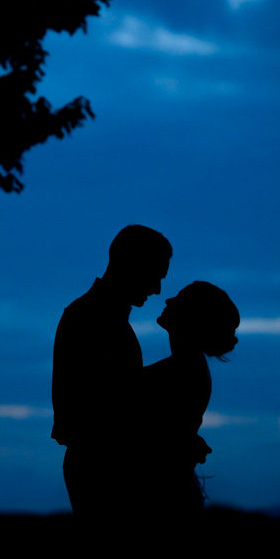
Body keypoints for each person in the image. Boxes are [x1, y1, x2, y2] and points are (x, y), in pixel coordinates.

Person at [50, 225, 172, 527]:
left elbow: (115, 393)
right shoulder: (91, 318)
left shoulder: (98, 317)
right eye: (155, 274)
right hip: (103, 471)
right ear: (130, 263)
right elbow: (106, 403)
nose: (157, 288)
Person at [139, 281, 239, 523]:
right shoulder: (187, 367)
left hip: (158, 498)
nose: (167, 300)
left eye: (179, 298)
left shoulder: (180, 371)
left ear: (195, 317)